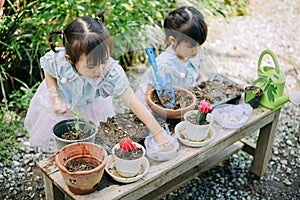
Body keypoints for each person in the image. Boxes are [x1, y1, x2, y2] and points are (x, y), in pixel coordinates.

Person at [24, 11, 171, 152]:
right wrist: (55, 98)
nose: (100, 70)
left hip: (91, 106)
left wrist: (158, 133)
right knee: (63, 138)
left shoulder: (111, 73)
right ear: (70, 60)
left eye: (105, 60)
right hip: (64, 102)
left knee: (90, 139)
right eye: (91, 65)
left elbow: (133, 102)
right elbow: (49, 72)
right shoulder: (59, 61)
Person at [136, 6, 209, 104]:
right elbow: (149, 96)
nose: (196, 51)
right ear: (173, 40)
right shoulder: (163, 66)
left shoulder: (193, 53)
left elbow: (198, 72)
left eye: (199, 45)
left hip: (184, 97)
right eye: (191, 46)